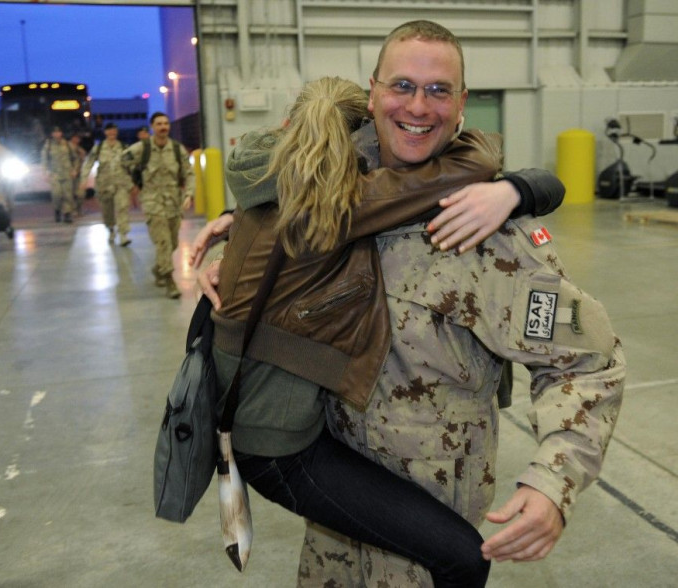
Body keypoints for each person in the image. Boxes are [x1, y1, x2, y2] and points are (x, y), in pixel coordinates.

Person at [196, 20, 626, 588]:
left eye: (438, 90)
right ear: (371, 92)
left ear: (461, 103)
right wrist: (238, 237)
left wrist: (553, 482)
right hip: (336, 519)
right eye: (402, 86)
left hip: (430, 523)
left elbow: (590, 363)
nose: (418, 106)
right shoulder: (332, 191)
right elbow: (285, 224)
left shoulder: (485, 235)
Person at [212, 76, 515, 587]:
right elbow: (479, 159)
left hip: (253, 421)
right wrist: (520, 187)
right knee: (463, 556)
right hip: (281, 449)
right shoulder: (334, 205)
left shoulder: (261, 181)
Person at [121, 112, 194, 299]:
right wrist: (132, 186)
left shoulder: (177, 150)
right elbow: (121, 162)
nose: (163, 127)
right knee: (163, 241)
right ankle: (170, 280)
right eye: (159, 124)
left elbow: (189, 173)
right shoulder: (142, 148)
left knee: (174, 243)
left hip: (174, 203)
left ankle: (158, 268)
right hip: (152, 202)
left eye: (166, 123)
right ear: (152, 127)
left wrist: (189, 194)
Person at [79, 123, 132, 246]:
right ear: (105, 132)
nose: (112, 133)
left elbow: (132, 164)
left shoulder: (124, 147)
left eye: (114, 130)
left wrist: (135, 180)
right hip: (104, 184)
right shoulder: (98, 148)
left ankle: (123, 234)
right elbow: (88, 163)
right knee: (107, 210)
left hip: (121, 183)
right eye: (109, 130)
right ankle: (111, 229)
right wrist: (84, 180)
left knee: (122, 207)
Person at [41, 126, 78, 223]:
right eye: (55, 132)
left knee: (67, 195)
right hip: (55, 174)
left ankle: (67, 214)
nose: (57, 134)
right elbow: (44, 160)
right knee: (56, 194)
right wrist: (44, 172)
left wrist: (74, 170)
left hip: (67, 173)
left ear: (61, 133)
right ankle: (57, 210)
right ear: (52, 134)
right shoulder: (48, 145)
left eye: (58, 132)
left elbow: (75, 158)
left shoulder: (68, 145)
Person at [69, 133, 87, 216]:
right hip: (69, 173)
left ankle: (78, 209)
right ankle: (73, 210)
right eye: (75, 138)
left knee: (81, 194)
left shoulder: (80, 149)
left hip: (79, 174)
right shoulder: (67, 148)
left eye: (78, 138)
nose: (77, 140)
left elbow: (83, 159)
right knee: (71, 194)